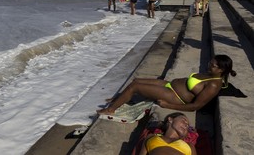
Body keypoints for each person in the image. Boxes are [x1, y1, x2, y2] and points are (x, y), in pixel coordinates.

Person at [97, 54, 236, 114]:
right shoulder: (211, 73)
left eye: (212, 65)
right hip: (169, 85)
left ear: (221, 70)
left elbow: (196, 106)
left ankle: (111, 110)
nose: (208, 65)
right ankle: (120, 99)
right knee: (136, 80)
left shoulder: (213, 85)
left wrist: (168, 105)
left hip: (175, 96)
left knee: (135, 87)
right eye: (209, 63)